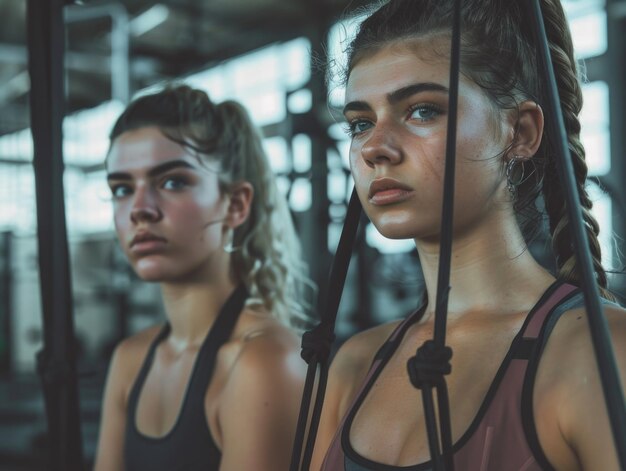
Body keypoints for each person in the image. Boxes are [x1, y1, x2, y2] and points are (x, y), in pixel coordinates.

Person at [310, 1, 626, 470]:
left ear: (519, 132)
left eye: (421, 111)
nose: (375, 147)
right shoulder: (354, 365)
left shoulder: (603, 355)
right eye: (360, 122)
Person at [94, 84, 312, 470]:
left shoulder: (264, 361)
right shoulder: (130, 359)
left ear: (235, 204)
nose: (140, 210)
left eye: (173, 181)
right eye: (122, 188)